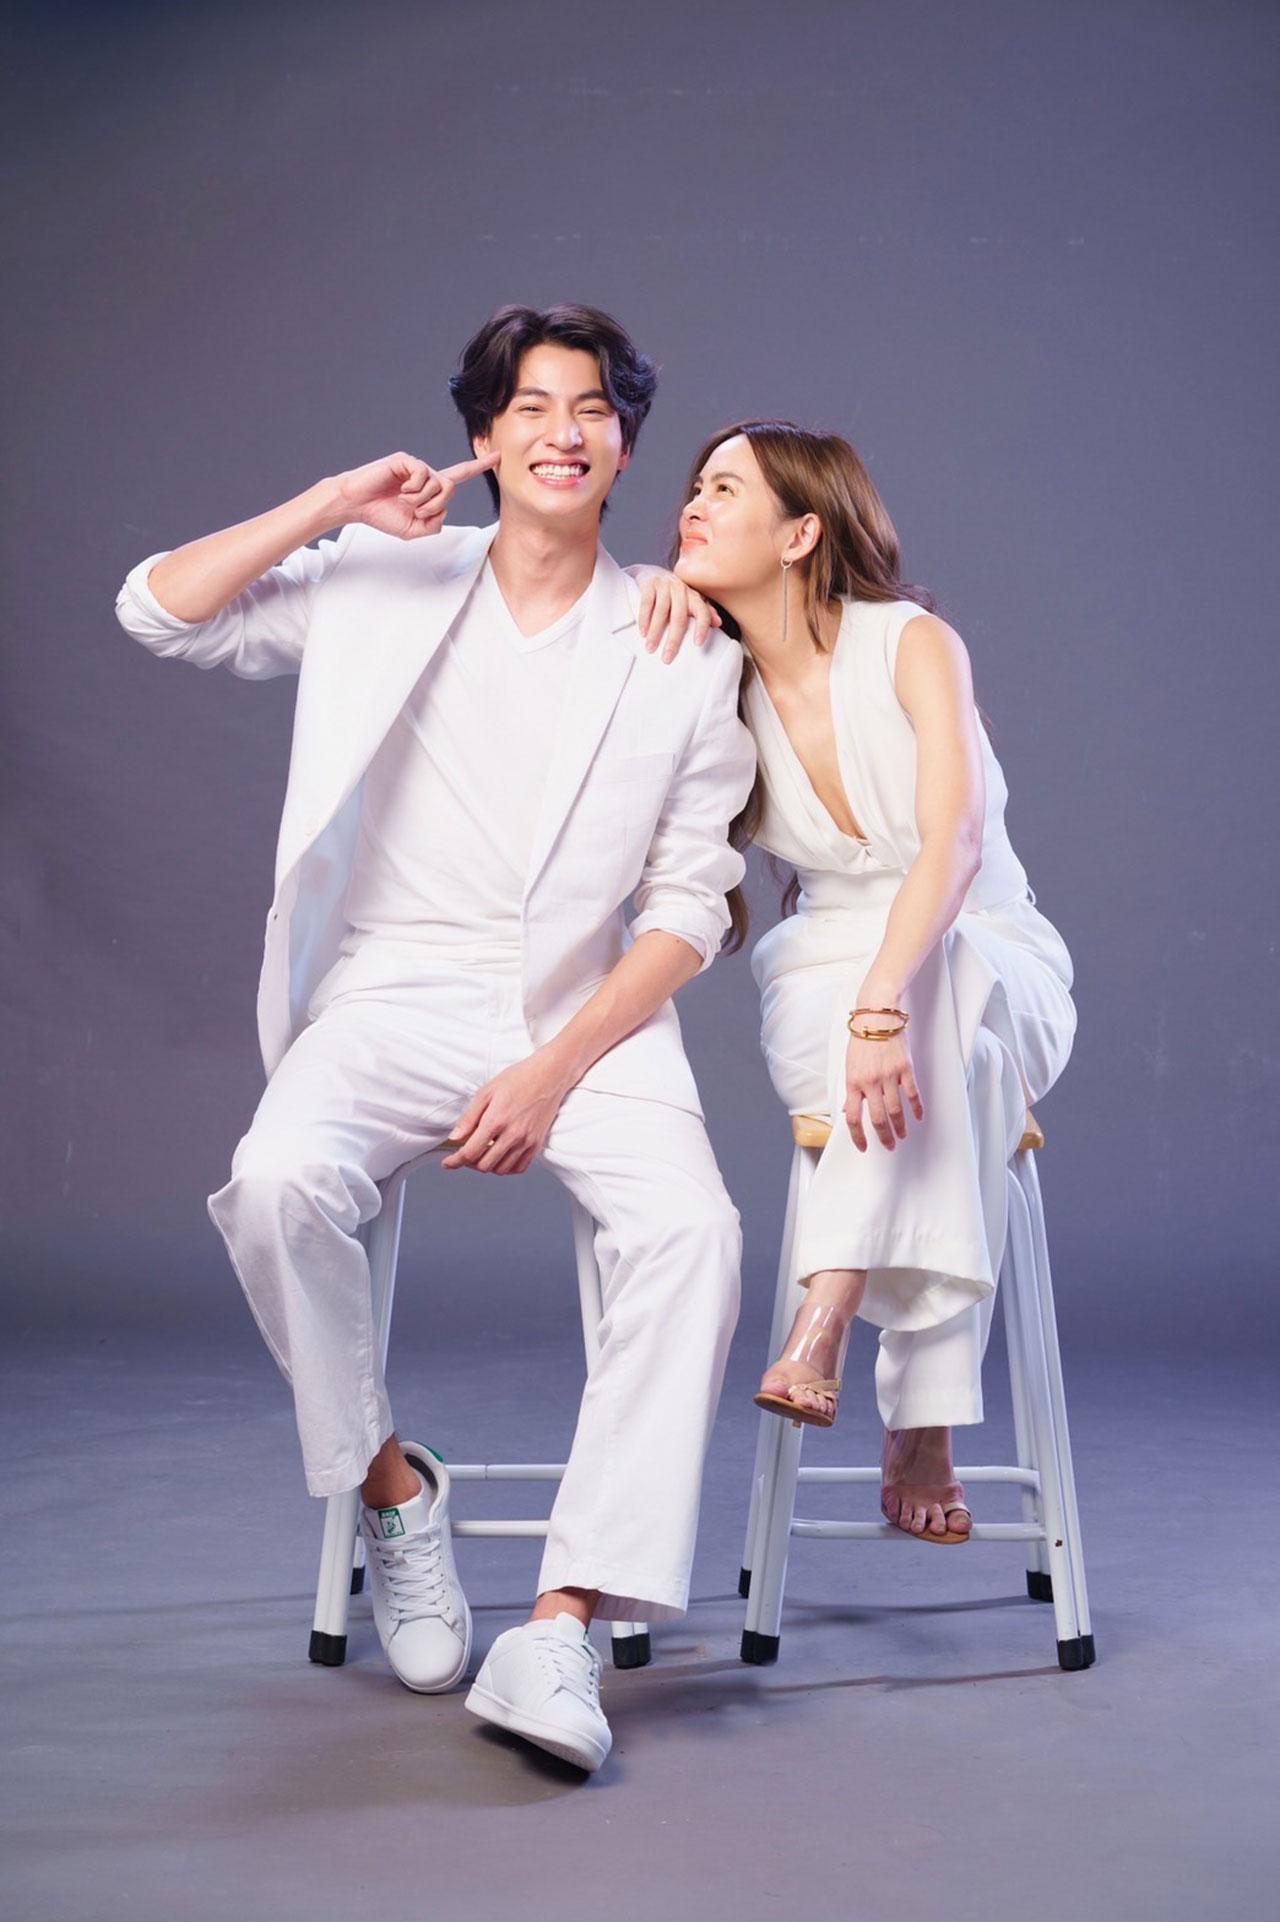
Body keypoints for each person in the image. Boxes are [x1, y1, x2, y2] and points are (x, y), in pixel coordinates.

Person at [113, 304, 756, 1776]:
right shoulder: (381, 578)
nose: (561, 432)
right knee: (277, 1181)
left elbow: (689, 906)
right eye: (530, 406)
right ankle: (396, 1495)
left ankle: (564, 1621)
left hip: (589, 1009)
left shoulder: (678, 640)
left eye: (591, 410)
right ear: (483, 437)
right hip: (393, 987)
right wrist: (334, 501)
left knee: (694, 1235)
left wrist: (552, 1065)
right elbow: (159, 608)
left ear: (624, 448)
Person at [669, 419, 1077, 1544]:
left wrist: (882, 1002)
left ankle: (826, 1310)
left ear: (800, 532)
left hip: (989, 943)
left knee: (950, 986)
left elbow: (953, 845)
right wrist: (865, 1003)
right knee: (965, 1068)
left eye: (724, 489)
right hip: (820, 969)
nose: (691, 505)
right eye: (693, 486)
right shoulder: (707, 681)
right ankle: (925, 1419)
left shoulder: (911, 642)